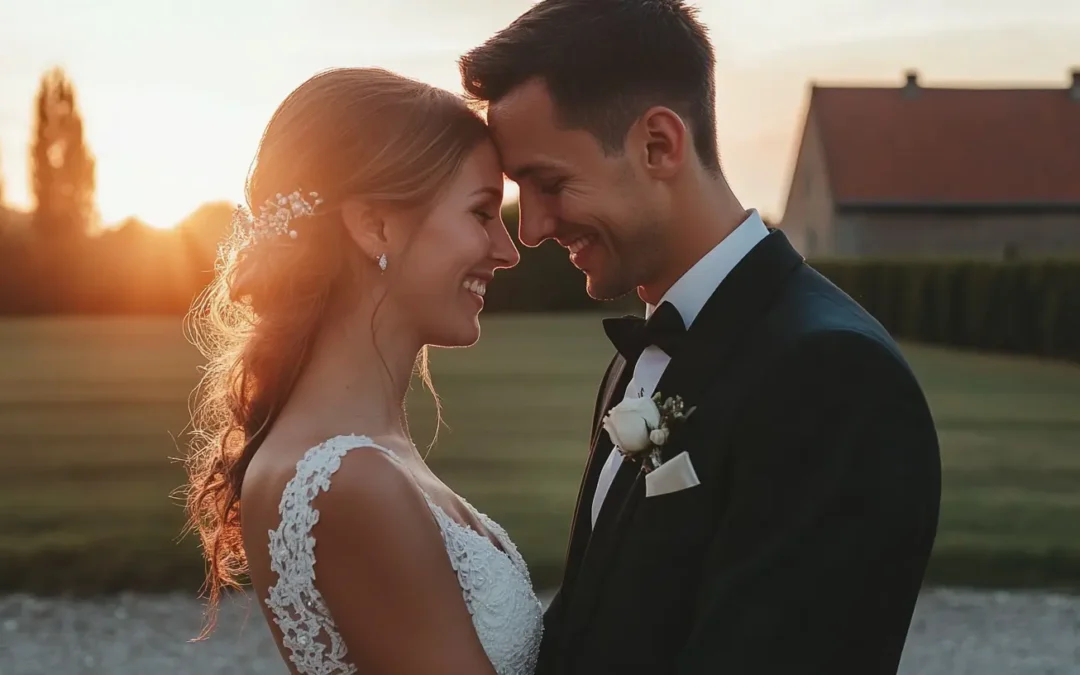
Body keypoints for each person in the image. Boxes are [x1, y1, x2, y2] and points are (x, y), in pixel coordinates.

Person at [460, 1, 942, 673]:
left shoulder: (833, 375)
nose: (533, 229)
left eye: (550, 184)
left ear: (660, 144)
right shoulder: (643, 356)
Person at [183, 67, 543, 675]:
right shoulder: (349, 480)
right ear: (375, 225)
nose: (508, 250)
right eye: (482, 213)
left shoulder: (366, 455)